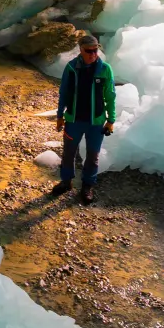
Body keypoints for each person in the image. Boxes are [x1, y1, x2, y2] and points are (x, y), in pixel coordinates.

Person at [51, 33, 116, 205]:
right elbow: (63, 93)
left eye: (95, 50)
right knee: (68, 154)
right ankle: (66, 182)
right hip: (74, 120)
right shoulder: (71, 68)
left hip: (96, 122)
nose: (93, 54)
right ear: (80, 50)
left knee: (93, 155)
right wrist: (59, 116)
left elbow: (110, 96)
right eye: (89, 51)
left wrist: (111, 120)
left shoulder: (105, 69)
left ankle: (87, 186)